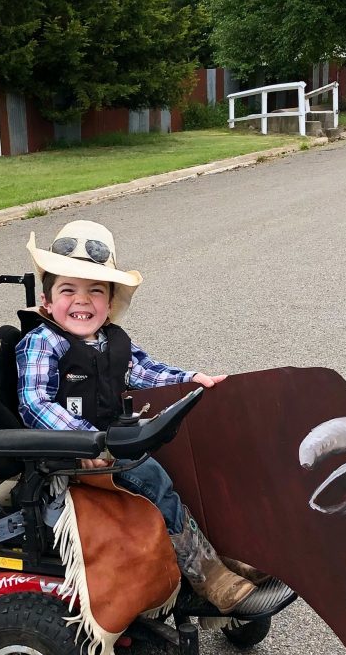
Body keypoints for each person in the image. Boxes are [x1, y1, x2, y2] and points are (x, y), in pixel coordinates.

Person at [15, 218, 264, 614]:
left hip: (113, 443)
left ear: (109, 302)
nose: (82, 301)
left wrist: (190, 380)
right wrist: (82, 439)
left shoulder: (112, 340)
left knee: (184, 459)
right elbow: (35, 403)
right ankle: (207, 574)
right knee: (151, 476)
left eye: (95, 291)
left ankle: (215, 553)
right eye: (68, 290)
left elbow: (146, 372)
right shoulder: (42, 342)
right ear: (47, 301)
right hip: (66, 455)